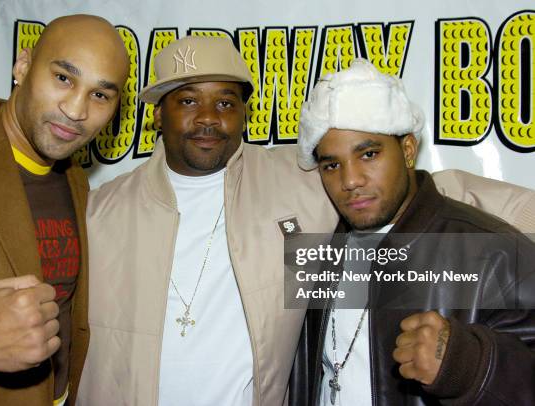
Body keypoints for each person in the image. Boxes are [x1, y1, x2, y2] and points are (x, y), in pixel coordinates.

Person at [78, 37, 534, 405]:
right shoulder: (101, 209)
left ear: (244, 114)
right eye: (188, 100)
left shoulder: (292, 182)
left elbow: (422, 190)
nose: (207, 119)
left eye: (225, 103)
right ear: (158, 114)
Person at [291, 58, 535, 405]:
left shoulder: (493, 250)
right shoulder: (323, 248)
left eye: (369, 154)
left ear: (408, 150)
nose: (350, 181)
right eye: (332, 165)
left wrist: (469, 367)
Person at [0, 14, 129, 405]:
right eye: (64, 78)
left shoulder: (75, 181)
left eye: (100, 95)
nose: (76, 109)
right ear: (22, 65)